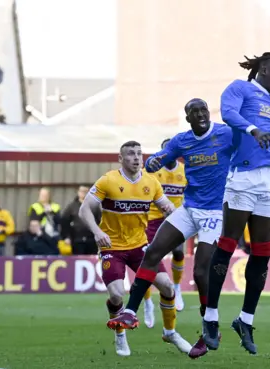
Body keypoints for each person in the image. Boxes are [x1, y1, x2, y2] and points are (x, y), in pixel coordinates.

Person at [201, 53, 270, 355]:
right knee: (227, 244)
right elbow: (228, 114)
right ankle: (210, 316)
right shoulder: (241, 88)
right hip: (244, 176)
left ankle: (246, 320)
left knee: (263, 254)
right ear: (263, 69)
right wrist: (254, 130)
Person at [106, 100, 232, 359]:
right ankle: (130, 311)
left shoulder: (226, 133)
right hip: (189, 208)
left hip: (214, 213)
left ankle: (210, 327)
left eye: (203, 111)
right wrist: (153, 163)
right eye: (194, 112)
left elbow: (248, 144)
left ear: (209, 114)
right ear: (187, 118)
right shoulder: (181, 140)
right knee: (152, 252)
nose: (200, 115)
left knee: (200, 272)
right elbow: (157, 160)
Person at [79, 140, 193, 357]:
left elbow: (165, 205)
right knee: (116, 294)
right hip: (112, 246)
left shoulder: (151, 182)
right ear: (121, 159)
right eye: (130, 154)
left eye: (139, 154)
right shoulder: (108, 180)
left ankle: (170, 332)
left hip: (140, 246)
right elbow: (85, 209)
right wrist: (97, 231)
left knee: (167, 286)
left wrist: (171, 209)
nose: (136, 157)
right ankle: (120, 334)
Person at [141, 138, 188, 329]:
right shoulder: (151, 172)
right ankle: (147, 301)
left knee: (178, 252)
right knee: (147, 259)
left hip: (175, 217)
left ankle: (177, 287)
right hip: (152, 219)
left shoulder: (185, 170)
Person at [61, 185, 98, 255]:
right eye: (82, 191)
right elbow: (64, 222)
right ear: (78, 192)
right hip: (77, 240)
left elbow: (100, 221)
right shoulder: (71, 207)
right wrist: (66, 237)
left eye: (86, 191)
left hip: (92, 241)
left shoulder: (94, 206)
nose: (83, 193)